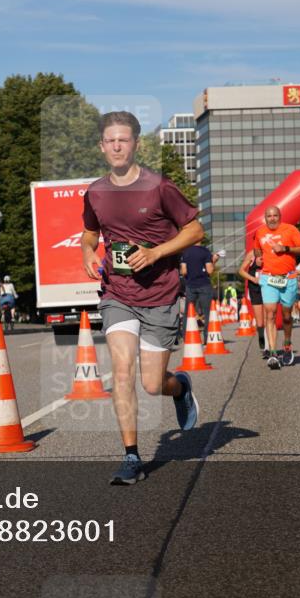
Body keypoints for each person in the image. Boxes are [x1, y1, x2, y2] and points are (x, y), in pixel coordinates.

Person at [81, 111, 203, 486]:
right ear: (102, 147)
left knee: (152, 384)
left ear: (135, 144)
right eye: (110, 140)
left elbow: (195, 229)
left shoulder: (159, 187)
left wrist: (155, 252)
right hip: (118, 293)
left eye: (124, 139)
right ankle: (132, 457)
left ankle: (179, 386)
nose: (117, 145)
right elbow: (89, 234)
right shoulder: (96, 193)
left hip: (161, 293)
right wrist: (88, 253)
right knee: (121, 371)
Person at [253, 206, 300, 369]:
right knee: (270, 312)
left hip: (288, 278)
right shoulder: (260, 232)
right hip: (268, 278)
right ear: (265, 217)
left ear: (280, 216)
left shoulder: (290, 230)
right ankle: (273, 354)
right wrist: (258, 259)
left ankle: (287, 345)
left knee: (286, 316)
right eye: (269, 216)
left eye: (275, 215)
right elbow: (257, 250)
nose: (272, 218)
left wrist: (285, 249)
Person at [180, 239, 215, 343]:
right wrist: (214, 261)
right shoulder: (205, 251)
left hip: (190, 285)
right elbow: (210, 270)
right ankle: (207, 338)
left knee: (188, 312)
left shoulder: (185, 252)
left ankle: (186, 337)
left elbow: (184, 271)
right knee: (207, 312)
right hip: (204, 284)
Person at [237, 252, 267, 355]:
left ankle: (268, 347)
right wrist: (253, 279)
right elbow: (241, 271)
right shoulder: (251, 254)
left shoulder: (269, 251)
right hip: (255, 287)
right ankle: (261, 337)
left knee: (269, 317)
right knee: (260, 322)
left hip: (268, 286)